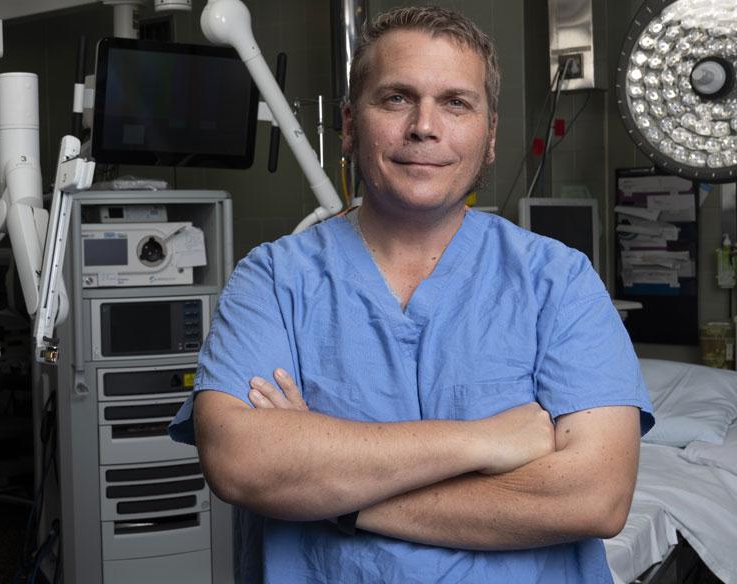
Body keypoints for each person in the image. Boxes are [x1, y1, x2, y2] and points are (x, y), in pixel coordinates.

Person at [167, 5, 654, 583]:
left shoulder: (558, 282)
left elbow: (594, 497)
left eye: (456, 102)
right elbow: (244, 464)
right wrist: (485, 441)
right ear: (350, 124)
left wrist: (336, 492)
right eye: (396, 98)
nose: (425, 126)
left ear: (490, 136)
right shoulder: (272, 281)